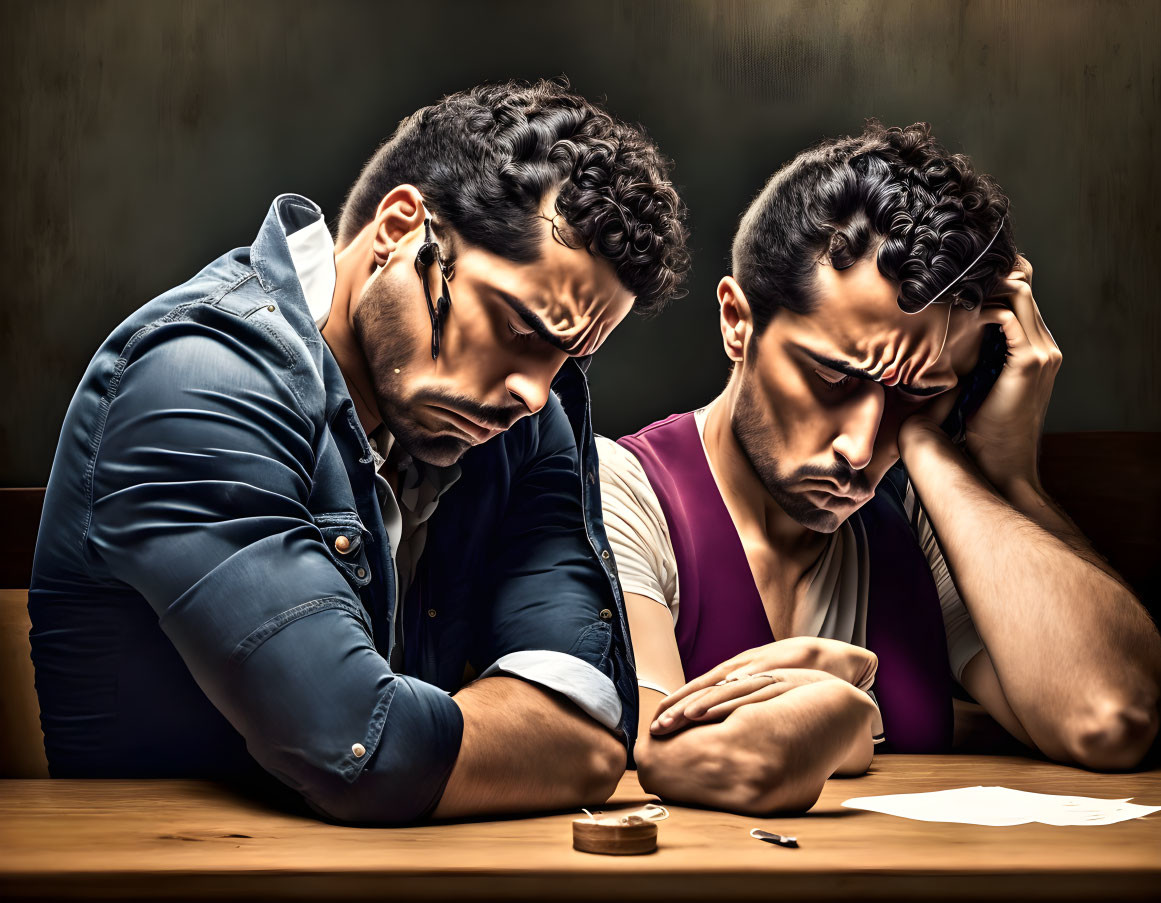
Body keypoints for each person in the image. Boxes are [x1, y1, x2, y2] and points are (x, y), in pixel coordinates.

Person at [28, 79, 690, 824]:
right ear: (401, 230)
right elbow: (366, 753)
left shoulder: (522, 423)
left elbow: (593, 715)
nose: (532, 393)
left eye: (566, 357)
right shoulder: (196, 379)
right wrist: (530, 739)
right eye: (521, 327)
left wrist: (548, 738)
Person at [599, 121, 1161, 815]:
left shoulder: (929, 521)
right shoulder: (624, 490)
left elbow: (1110, 716)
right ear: (737, 322)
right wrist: (847, 693)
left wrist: (994, 470)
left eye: (915, 393)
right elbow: (688, 753)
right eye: (832, 375)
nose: (861, 448)